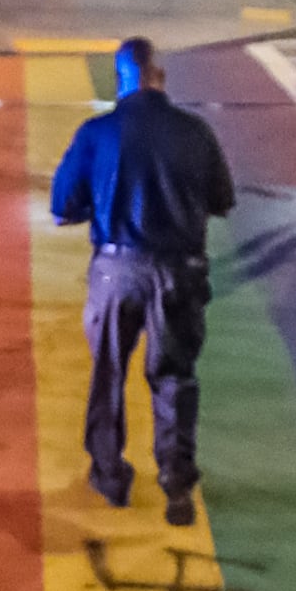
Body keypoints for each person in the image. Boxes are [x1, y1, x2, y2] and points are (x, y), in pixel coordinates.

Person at [50, 36, 236, 528]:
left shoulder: (97, 133)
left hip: (117, 269)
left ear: (121, 79)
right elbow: (222, 198)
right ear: (159, 76)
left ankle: (111, 475)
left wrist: (101, 204)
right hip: (179, 270)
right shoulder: (195, 132)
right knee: (174, 375)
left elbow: (61, 205)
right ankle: (176, 481)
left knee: (109, 369)